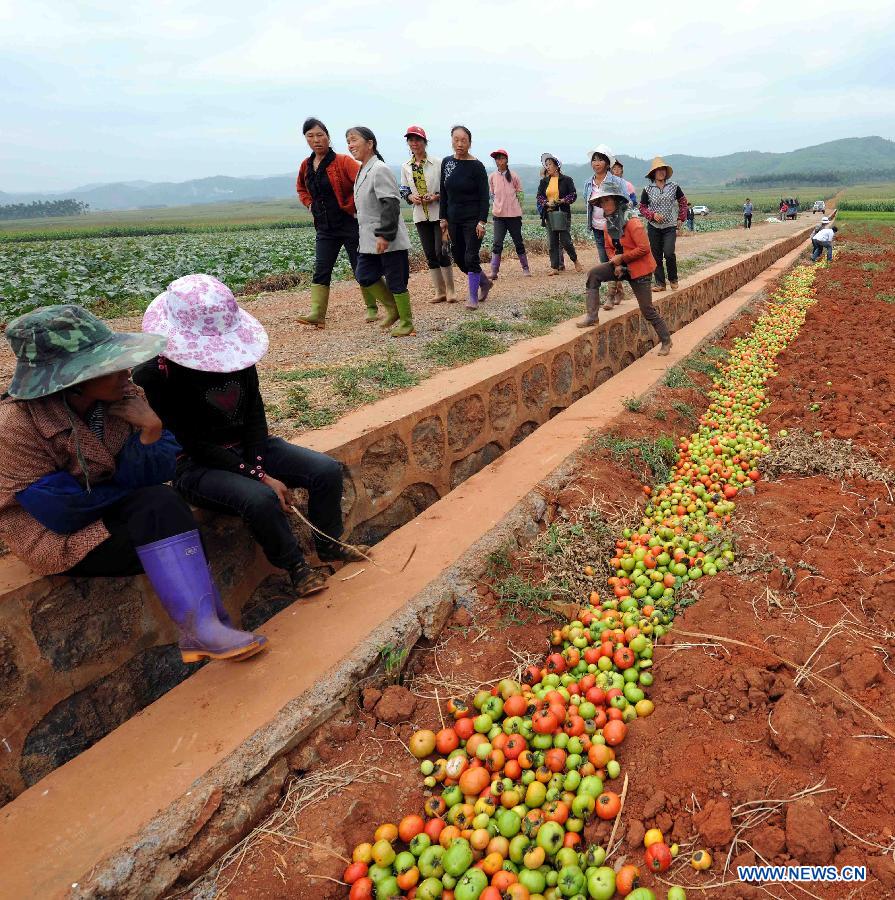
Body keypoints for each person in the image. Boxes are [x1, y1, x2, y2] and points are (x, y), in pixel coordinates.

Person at [0, 304, 268, 663]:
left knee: (164, 504)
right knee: (166, 522)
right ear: (74, 379)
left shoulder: (127, 396)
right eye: (112, 365)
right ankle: (205, 628)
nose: (127, 372)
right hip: (59, 536)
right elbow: (63, 513)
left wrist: (151, 430)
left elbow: (159, 471)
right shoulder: (15, 428)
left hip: (112, 507)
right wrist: (128, 482)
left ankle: (204, 627)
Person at [135, 274, 364, 602]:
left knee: (325, 470)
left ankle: (330, 543)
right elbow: (192, 442)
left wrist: (258, 464)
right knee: (260, 498)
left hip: (250, 450)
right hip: (197, 464)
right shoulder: (156, 376)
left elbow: (255, 417)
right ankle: (296, 567)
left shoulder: (238, 356)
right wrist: (260, 477)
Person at [295, 117, 380, 328]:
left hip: (349, 223)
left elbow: (363, 181)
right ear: (306, 139)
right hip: (324, 227)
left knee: (360, 267)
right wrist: (309, 205)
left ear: (328, 137)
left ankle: (372, 307)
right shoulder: (306, 165)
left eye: (320, 135)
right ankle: (318, 313)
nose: (316, 140)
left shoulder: (343, 161)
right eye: (310, 136)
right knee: (321, 268)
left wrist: (353, 205)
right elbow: (301, 189)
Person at [578, 184, 673, 356]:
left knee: (647, 309)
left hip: (640, 269)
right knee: (594, 274)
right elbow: (609, 248)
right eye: (601, 202)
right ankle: (592, 316)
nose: (604, 205)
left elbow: (644, 248)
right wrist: (616, 265)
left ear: (617, 201)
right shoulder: (609, 225)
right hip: (621, 266)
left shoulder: (632, 222)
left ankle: (666, 340)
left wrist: (622, 259)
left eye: (607, 200)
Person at [347, 126, 415, 336]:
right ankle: (392, 309)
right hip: (368, 241)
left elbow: (391, 204)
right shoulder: (363, 169)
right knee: (364, 275)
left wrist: (385, 235)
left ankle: (407, 322)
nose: (350, 145)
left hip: (387, 238)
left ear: (370, 143)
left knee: (396, 280)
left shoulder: (379, 168)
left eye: (354, 140)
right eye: (348, 141)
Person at [399, 126, 456, 303]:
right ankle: (440, 292)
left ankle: (451, 290)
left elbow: (449, 187)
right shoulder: (406, 166)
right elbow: (403, 189)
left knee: (442, 252)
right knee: (430, 254)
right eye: (411, 140)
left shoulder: (438, 163)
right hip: (420, 215)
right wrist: (410, 196)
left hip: (439, 213)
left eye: (418, 140)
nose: (414, 143)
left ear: (425, 142)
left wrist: (436, 196)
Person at [439, 125, 493, 309]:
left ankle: (472, 297)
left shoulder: (477, 166)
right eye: (456, 139)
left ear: (470, 143)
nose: (460, 143)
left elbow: (484, 196)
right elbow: (444, 193)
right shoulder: (447, 163)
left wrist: (482, 221)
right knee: (459, 257)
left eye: (464, 140)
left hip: (473, 219)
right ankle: (484, 282)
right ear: (451, 140)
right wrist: (443, 218)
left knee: (471, 256)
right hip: (453, 218)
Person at [639, 156, 688, 291]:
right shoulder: (647, 189)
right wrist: (652, 215)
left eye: (663, 170)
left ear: (666, 172)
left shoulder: (674, 187)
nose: (661, 172)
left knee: (669, 252)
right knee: (656, 255)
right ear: (653, 173)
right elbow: (642, 207)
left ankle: (673, 279)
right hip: (654, 227)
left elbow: (683, 202)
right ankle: (660, 283)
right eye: (658, 170)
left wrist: (680, 218)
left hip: (670, 227)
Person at [488, 149, 530, 280]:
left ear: (506, 160)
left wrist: (519, 209)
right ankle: (494, 271)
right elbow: (492, 195)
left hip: (514, 216)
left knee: (518, 242)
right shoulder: (492, 177)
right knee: (497, 243)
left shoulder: (514, 176)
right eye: (497, 159)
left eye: (501, 158)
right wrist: (497, 206)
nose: (499, 161)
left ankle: (525, 268)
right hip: (499, 216)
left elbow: (520, 194)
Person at [537, 154, 581, 276]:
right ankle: (555, 267)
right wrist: (545, 203)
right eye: (547, 165)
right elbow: (539, 196)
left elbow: (573, 195)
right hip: (549, 214)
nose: (548, 167)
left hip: (562, 213)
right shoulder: (544, 181)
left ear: (557, 166)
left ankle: (575, 260)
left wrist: (562, 200)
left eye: (550, 164)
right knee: (552, 242)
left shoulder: (566, 180)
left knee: (565, 240)